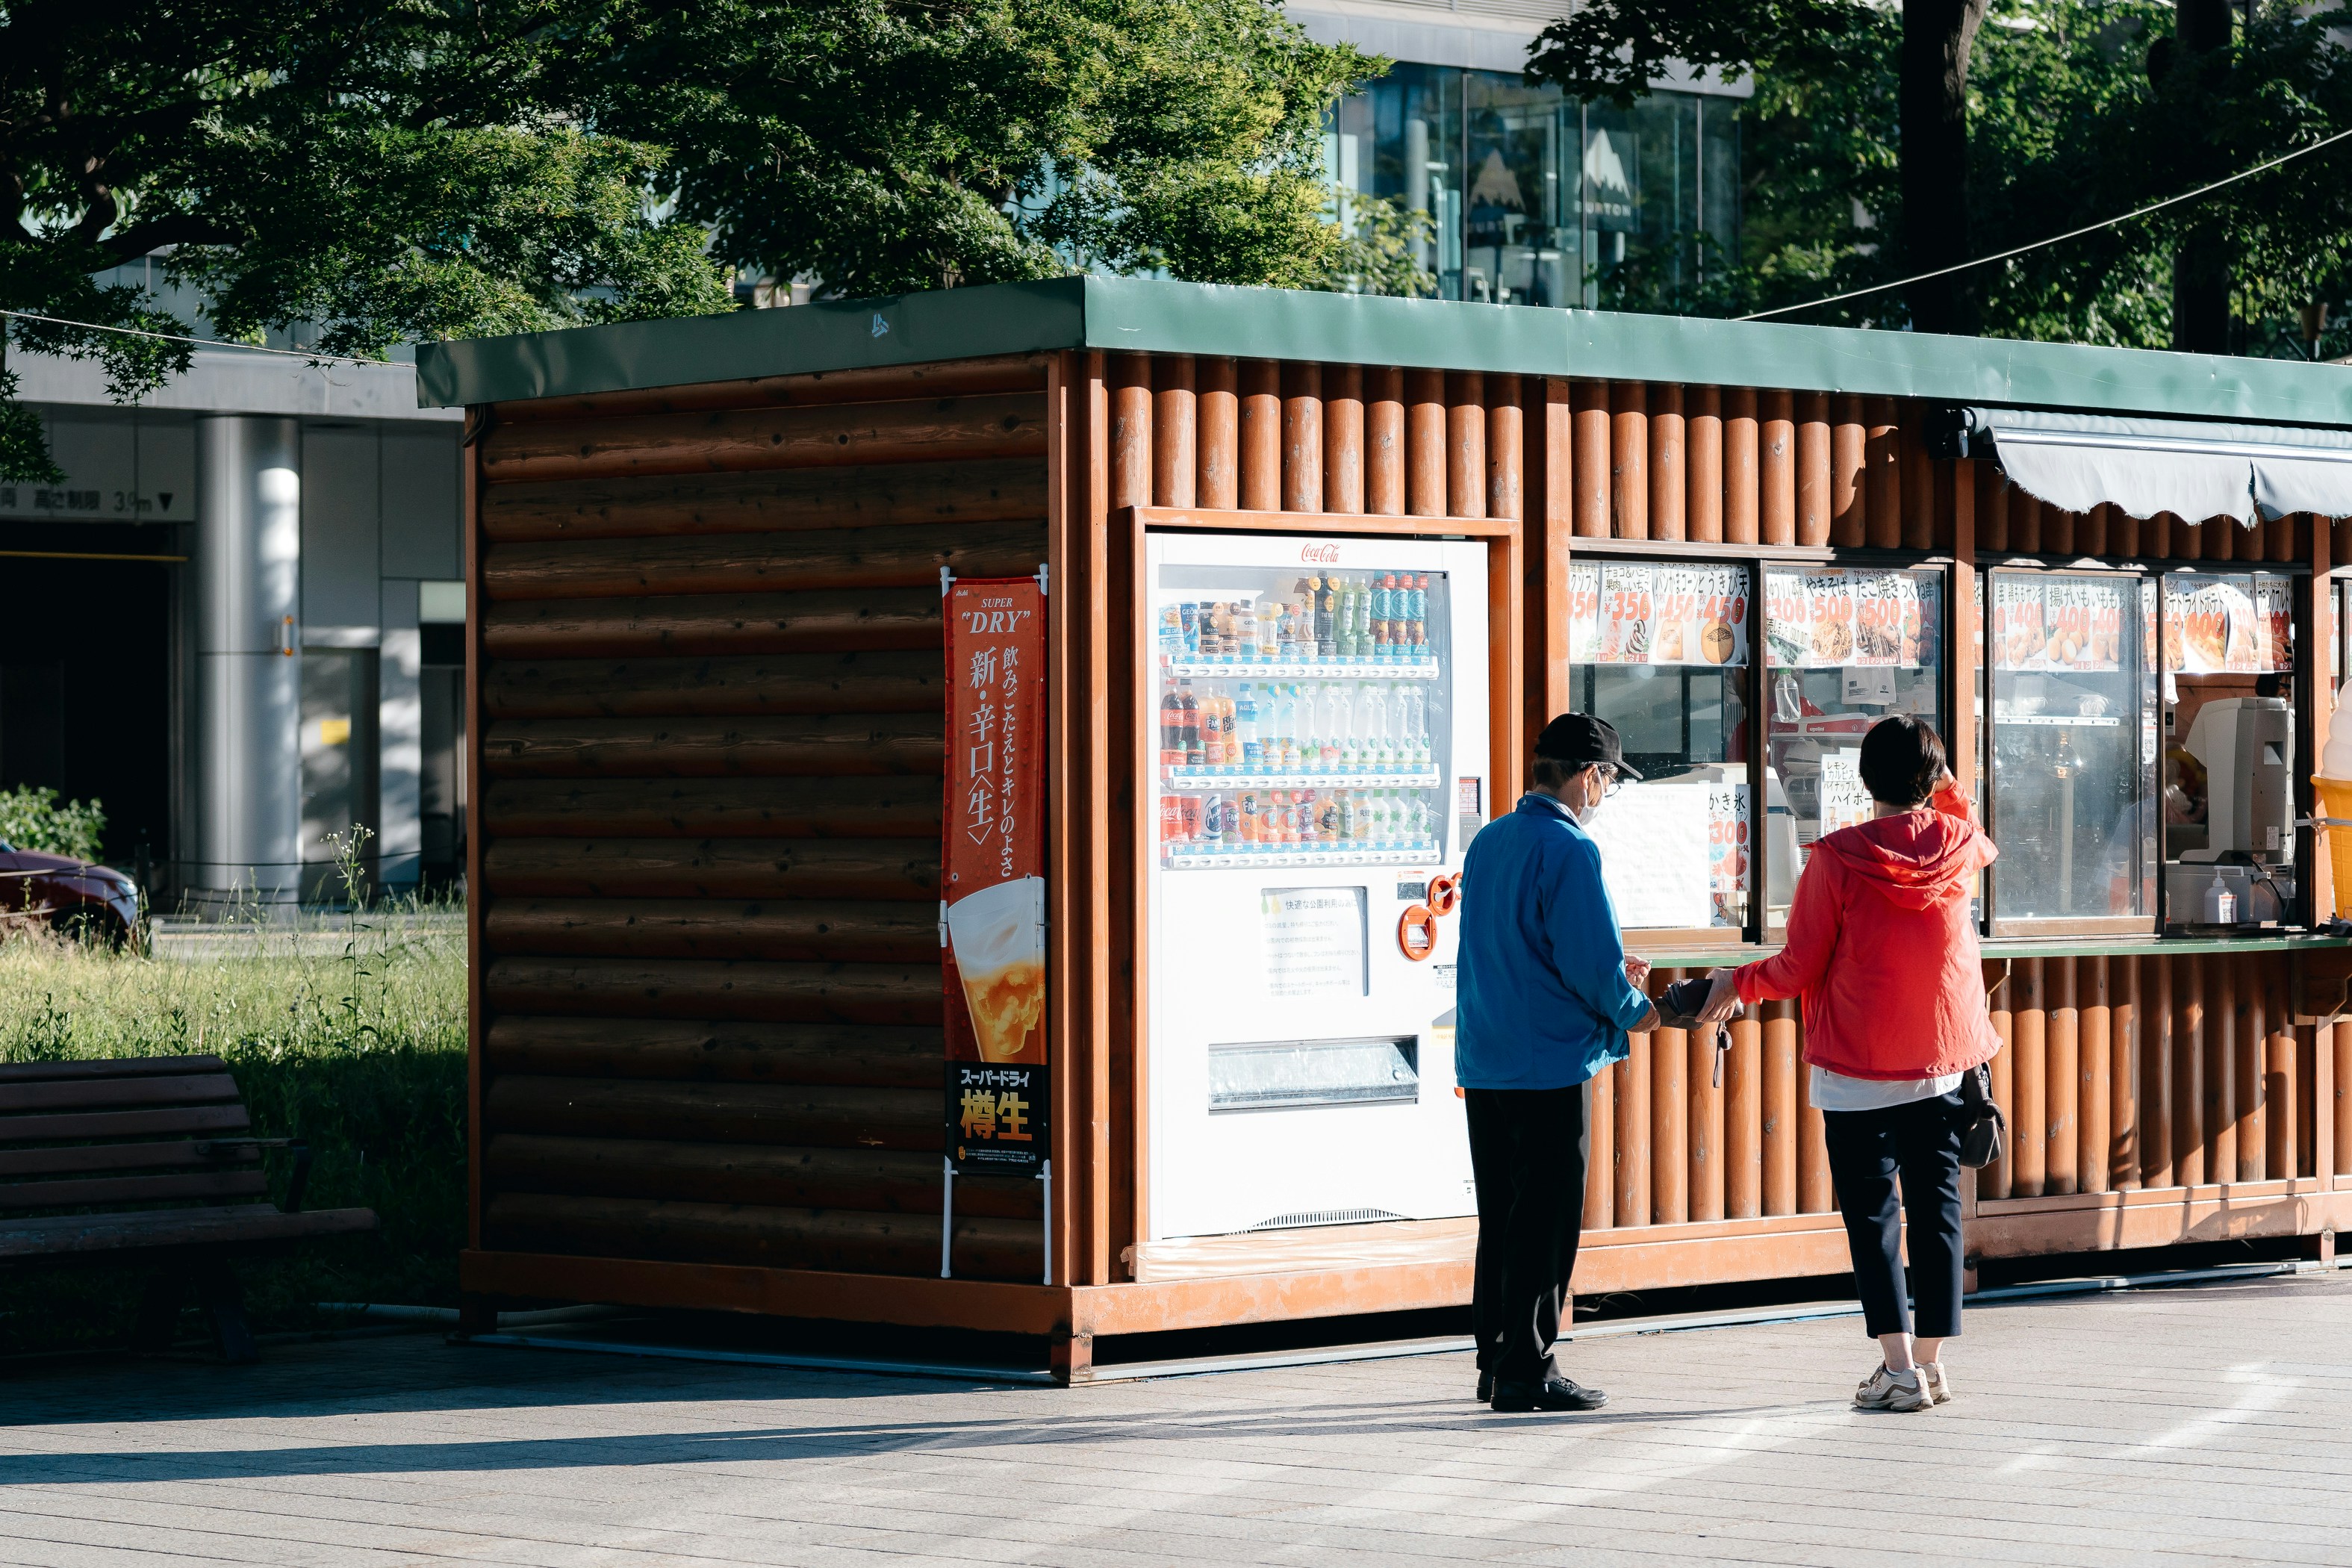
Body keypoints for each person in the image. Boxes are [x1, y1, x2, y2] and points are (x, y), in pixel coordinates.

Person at [1697, 714, 1997, 1413]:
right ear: (1932, 780)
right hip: (1942, 1059)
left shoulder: (1836, 857)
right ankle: (1930, 1364)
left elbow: (1800, 965)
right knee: (1939, 1211)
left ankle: (1895, 1370)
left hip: (1858, 1068)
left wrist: (1732, 985)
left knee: (1874, 1218)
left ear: (1865, 780)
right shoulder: (1960, 847)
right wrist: (1944, 783)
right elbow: (1970, 822)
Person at [1455, 712, 1662, 1413]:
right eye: (1608, 779)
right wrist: (1639, 1005)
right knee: (1546, 1222)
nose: (1606, 793)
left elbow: (1519, 949)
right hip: (1548, 1065)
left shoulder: (1489, 842)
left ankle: (1495, 1361)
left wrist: (1607, 972)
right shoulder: (1571, 851)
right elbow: (1589, 966)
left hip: (1487, 1059)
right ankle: (1529, 1368)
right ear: (1589, 774)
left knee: (1503, 1218)